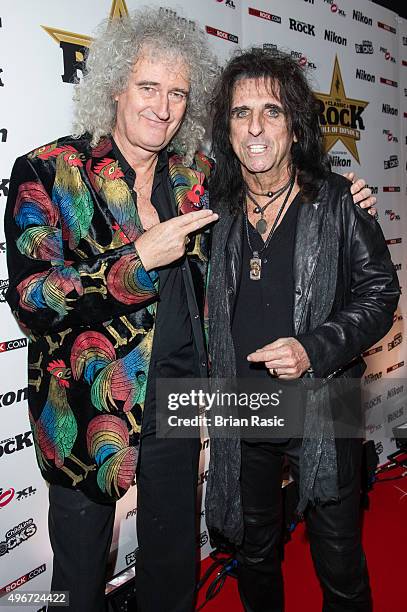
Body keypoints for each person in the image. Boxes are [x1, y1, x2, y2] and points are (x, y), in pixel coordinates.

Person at [4, 9, 218, 611]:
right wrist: (135, 261)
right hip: (84, 407)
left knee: (174, 556)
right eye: (149, 87)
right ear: (115, 87)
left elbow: (271, 192)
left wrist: (340, 195)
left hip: (180, 396)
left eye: (178, 92)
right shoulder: (48, 171)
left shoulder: (196, 175)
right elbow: (32, 295)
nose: (164, 106)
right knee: (78, 571)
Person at [205, 48, 400, 612]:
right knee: (256, 549)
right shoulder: (216, 211)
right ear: (227, 128)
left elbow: (380, 295)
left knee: (337, 556)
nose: (256, 127)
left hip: (325, 398)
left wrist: (312, 350)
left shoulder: (339, 201)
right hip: (243, 403)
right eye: (241, 113)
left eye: (272, 111)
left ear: (295, 125)